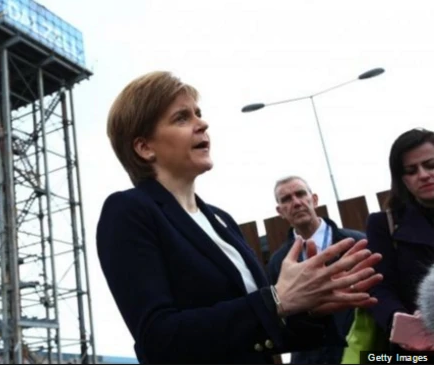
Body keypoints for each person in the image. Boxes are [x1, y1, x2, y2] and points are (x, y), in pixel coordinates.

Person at [95, 71, 384, 364]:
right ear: (144, 147)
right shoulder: (128, 211)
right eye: (182, 118)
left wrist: (308, 307)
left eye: (198, 113)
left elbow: (261, 332)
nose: (203, 123)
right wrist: (276, 301)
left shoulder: (221, 220)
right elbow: (158, 339)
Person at [266, 176, 366, 364]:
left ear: (314, 199)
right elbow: (282, 320)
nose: (296, 202)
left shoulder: (357, 242)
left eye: (301, 194)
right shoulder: (278, 263)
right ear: (280, 211)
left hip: (363, 352)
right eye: (286, 199)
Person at [366, 127, 434, 353]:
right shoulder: (383, 224)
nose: (423, 175)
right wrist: (400, 321)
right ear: (401, 179)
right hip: (417, 355)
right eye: (411, 170)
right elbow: (378, 288)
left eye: (430, 165)